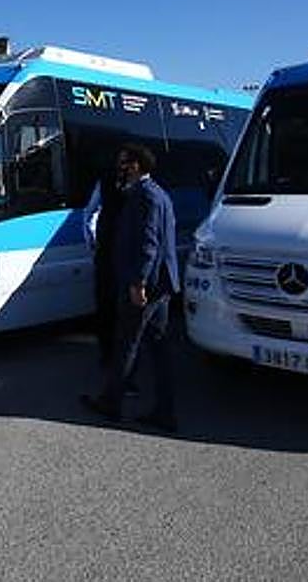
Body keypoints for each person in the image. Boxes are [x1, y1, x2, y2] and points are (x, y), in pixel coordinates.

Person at [82, 143, 180, 432]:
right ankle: (165, 411)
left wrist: (138, 282)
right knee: (159, 348)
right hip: (163, 283)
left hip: (146, 285)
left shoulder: (144, 196)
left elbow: (148, 243)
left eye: (124, 162)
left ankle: (111, 403)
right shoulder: (159, 193)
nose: (120, 167)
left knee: (126, 343)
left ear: (136, 165)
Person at [82, 149, 129, 366]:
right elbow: (90, 215)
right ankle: (113, 356)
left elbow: (89, 215)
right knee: (112, 307)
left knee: (111, 307)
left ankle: (112, 356)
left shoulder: (138, 188)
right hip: (114, 254)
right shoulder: (115, 183)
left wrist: (93, 243)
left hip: (112, 253)